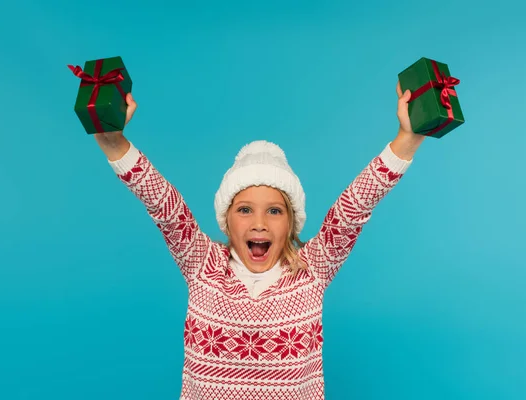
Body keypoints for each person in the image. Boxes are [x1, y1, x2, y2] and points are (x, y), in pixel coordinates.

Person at [93, 82, 423, 399]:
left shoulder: (313, 268)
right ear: (227, 219)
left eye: (275, 211)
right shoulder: (201, 262)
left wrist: (406, 139)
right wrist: (114, 143)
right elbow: (164, 205)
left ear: (291, 221)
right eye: (246, 210)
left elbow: (353, 210)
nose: (260, 224)